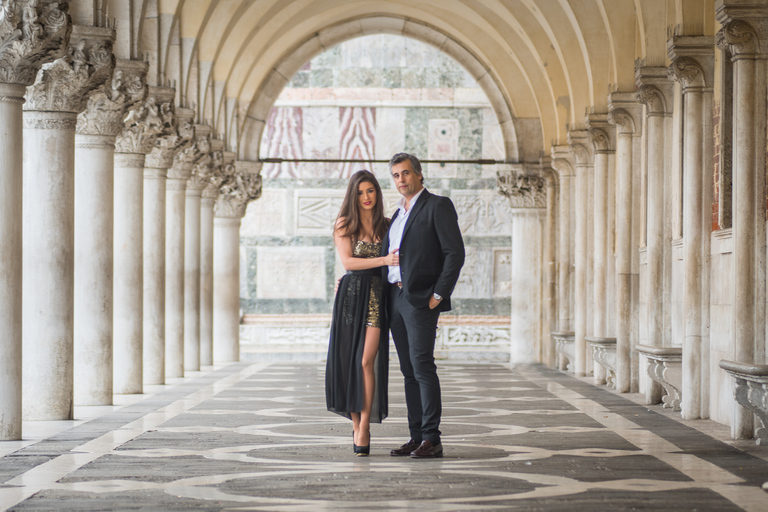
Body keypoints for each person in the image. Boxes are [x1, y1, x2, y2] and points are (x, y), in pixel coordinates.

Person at [383, 153, 465, 459]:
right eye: (395, 175)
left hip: (421, 300)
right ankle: (415, 435)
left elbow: (454, 253)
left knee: (422, 365)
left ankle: (432, 437)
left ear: (419, 175)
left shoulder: (437, 206)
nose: (401, 179)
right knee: (407, 371)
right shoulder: (397, 214)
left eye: (405, 173)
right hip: (396, 298)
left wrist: (439, 295)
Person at [325, 170, 399, 456]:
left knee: (367, 361)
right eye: (360, 192)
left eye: (370, 191)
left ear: (377, 194)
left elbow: (398, 262)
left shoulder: (389, 225)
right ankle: (356, 424)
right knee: (350, 363)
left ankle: (364, 425)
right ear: (352, 196)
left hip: (377, 298)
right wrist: (382, 259)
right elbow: (348, 262)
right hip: (351, 297)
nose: (366, 197)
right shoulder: (345, 224)